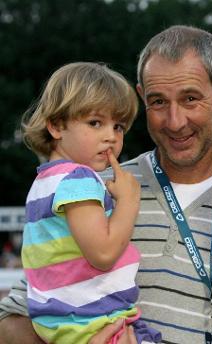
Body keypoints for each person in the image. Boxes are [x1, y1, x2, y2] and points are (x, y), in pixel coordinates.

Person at [0, 26, 212, 343]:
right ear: (143, 97)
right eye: (158, 101)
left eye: (190, 98)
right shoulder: (92, 190)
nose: (175, 121)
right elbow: (12, 320)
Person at [19, 61, 160, 344]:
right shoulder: (78, 178)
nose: (110, 136)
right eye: (95, 123)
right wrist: (129, 201)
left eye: (118, 126)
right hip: (92, 321)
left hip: (61, 322)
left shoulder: (44, 181)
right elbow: (103, 254)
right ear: (57, 126)